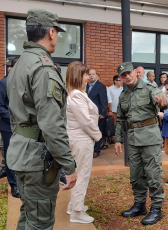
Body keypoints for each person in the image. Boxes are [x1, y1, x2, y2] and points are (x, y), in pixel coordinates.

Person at [7, 8, 77, 229]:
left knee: (28, 215)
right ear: (51, 33)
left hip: (21, 152)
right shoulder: (44, 68)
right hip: (38, 159)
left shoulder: (20, 64)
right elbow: (51, 125)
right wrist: (69, 165)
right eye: (56, 31)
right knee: (41, 223)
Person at [114, 62, 168, 225]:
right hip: (132, 139)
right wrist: (118, 139)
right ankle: (139, 205)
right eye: (123, 76)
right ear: (121, 78)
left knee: (153, 173)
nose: (127, 77)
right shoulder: (123, 95)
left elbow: (164, 98)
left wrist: (164, 101)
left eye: (129, 73)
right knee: (136, 174)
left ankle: (156, 208)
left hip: (150, 138)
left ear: (136, 73)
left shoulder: (149, 89)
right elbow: (121, 119)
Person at [65, 62, 101, 224]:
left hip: (78, 139)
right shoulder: (77, 96)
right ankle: (77, 212)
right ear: (79, 76)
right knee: (82, 175)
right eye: (86, 74)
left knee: (79, 173)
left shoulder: (76, 93)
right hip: (81, 140)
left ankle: (74, 205)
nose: (89, 77)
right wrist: (98, 135)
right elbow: (86, 121)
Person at [0, 57, 20, 198]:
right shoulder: (2, 84)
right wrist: (15, 117)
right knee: (11, 156)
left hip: (25, 127)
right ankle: (14, 185)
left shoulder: (25, 83)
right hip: (9, 127)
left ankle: (22, 183)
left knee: (22, 156)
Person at [86, 68, 108, 158]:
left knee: (97, 132)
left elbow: (104, 101)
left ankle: (96, 150)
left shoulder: (101, 86)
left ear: (96, 75)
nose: (91, 76)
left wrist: (102, 113)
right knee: (89, 132)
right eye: (90, 74)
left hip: (98, 114)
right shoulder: (86, 86)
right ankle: (90, 150)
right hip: (87, 114)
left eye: (93, 74)